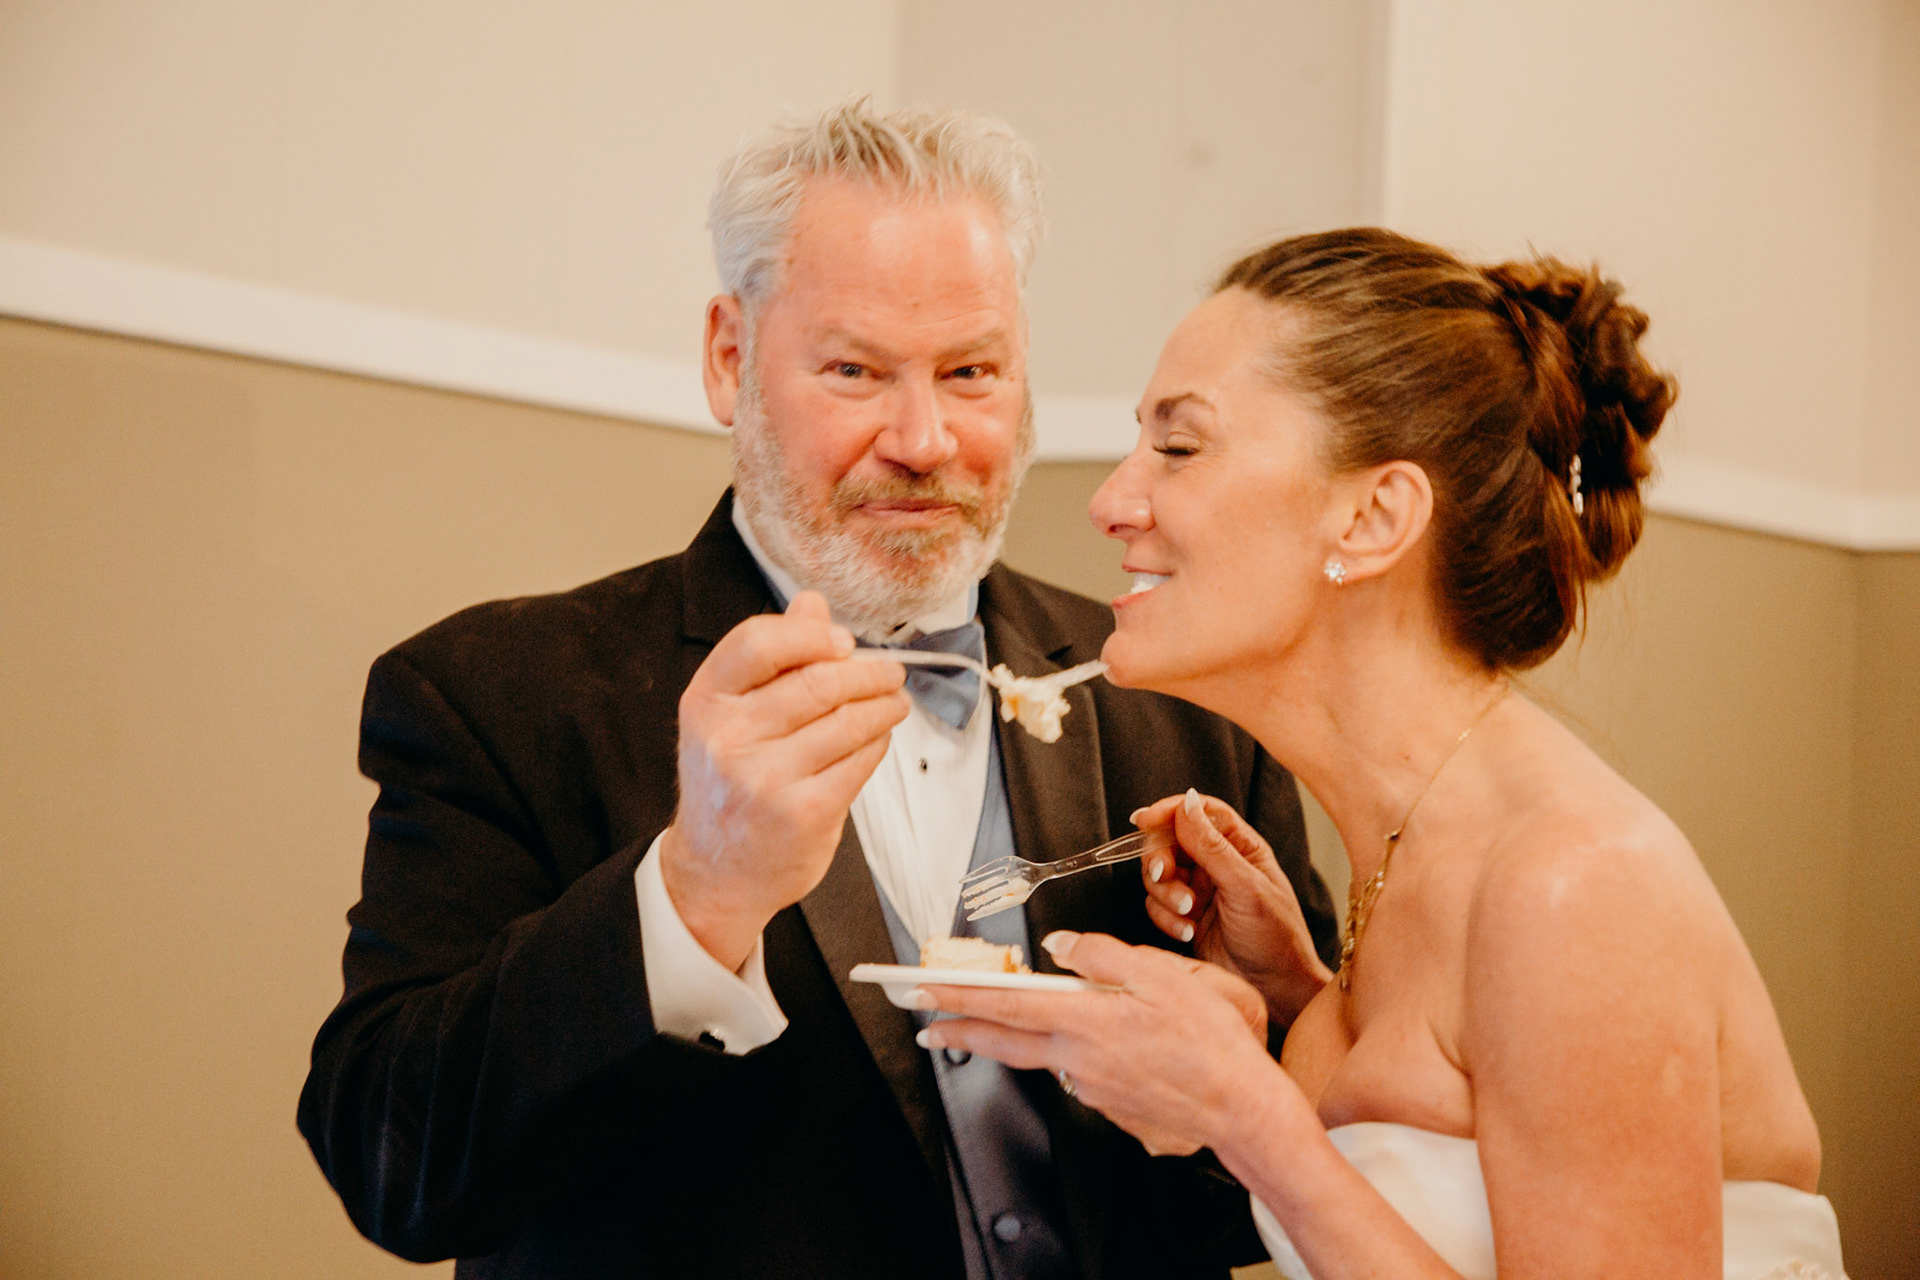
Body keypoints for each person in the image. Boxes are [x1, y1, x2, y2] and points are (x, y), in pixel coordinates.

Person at [296, 102, 1336, 1279]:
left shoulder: (1183, 687)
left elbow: (1291, 1184)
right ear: (729, 357)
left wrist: (1267, 1045)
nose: (924, 439)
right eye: (854, 370)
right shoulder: (496, 694)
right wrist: (693, 893)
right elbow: (397, 1167)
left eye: (971, 371)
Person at [917, 228, 1848, 1279]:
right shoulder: (1403, 860)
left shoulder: (1575, 885)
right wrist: (1295, 995)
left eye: (1179, 448)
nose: (1111, 502)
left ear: (1372, 517)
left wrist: (1246, 1116)